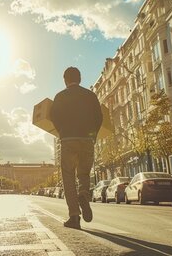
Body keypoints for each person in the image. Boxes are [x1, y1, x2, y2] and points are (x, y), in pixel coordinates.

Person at [50, 67, 103, 229]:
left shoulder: (59, 97)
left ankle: (74, 216)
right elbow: (99, 118)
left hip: (68, 140)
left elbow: (54, 117)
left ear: (65, 79)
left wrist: (63, 132)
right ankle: (84, 196)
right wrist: (92, 135)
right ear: (80, 79)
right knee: (84, 174)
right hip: (87, 139)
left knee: (68, 177)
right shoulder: (90, 95)